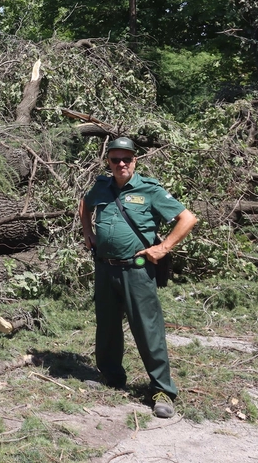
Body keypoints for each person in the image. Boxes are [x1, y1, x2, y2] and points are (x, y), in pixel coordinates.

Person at [80, 136, 197, 418]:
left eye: (126, 159)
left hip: (137, 270)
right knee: (107, 326)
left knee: (148, 329)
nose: (121, 164)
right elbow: (84, 205)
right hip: (105, 267)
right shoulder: (102, 186)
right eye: (115, 159)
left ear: (135, 160)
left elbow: (188, 219)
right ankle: (111, 376)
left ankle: (161, 390)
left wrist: (164, 247)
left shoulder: (149, 189)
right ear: (108, 161)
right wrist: (88, 233)